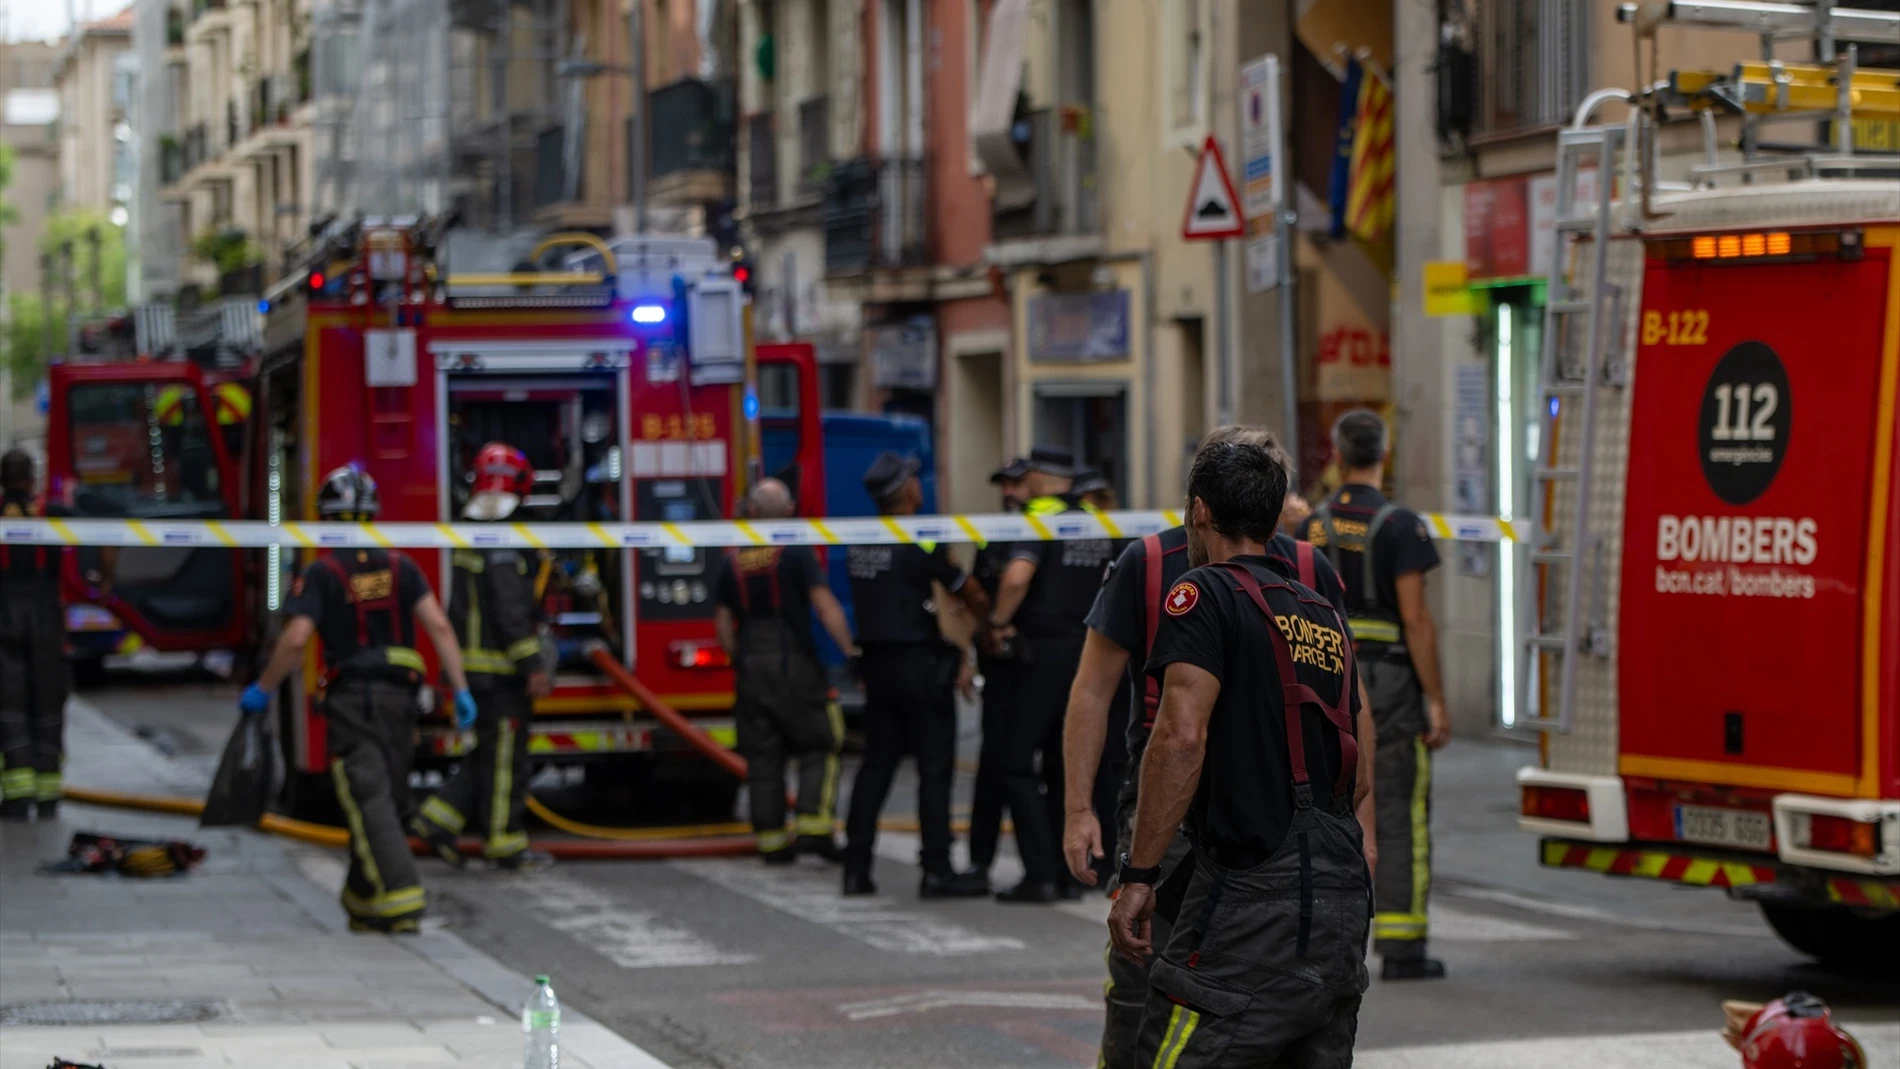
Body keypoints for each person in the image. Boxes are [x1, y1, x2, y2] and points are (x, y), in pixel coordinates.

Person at [1062, 427, 1375, 1068]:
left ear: (1199, 508)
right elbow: (1355, 753)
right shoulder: (1319, 608)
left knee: (1170, 1020)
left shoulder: (1198, 591)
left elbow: (1180, 737)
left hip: (1239, 865)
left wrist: (1141, 876)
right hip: (1332, 886)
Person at [239, 463, 475, 932]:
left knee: (370, 799)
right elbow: (440, 627)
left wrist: (263, 689)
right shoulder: (400, 566)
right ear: (373, 515)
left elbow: (294, 640)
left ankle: (403, 898)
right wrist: (461, 689)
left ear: (326, 518)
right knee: (381, 792)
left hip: (354, 703)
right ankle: (362, 902)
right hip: (402, 702)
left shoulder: (323, 573)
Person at [1306, 409, 1451, 981]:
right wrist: (1435, 699)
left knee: (1319, 804)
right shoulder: (1401, 526)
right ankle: (1403, 944)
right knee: (1396, 809)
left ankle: (1322, 940)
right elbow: (1416, 620)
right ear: (1383, 456)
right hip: (1389, 684)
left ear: (1337, 456)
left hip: (1323, 671)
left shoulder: (1310, 527)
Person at [842, 453, 991, 898]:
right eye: (914, 478)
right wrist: (987, 618)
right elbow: (963, 587)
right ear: (905, 489)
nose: (919, 483)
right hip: (921, 668)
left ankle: (855, 868)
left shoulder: (861, 539)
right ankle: (937, 870)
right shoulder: (920, 537)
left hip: (877, 667)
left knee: (876, 768)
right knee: (934, 768)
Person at [412, 443, 554, 872]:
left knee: (488, 755)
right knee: (507, 762)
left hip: (475, 671)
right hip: (503, 674)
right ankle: (504, 843)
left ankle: (436, 820)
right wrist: (533, 665)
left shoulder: (473, 532)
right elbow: (511, 612)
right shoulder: (506, 541)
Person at [986, 447, 1113, 902]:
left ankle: (1039, 873)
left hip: (1041, 655)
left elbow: (1018, 577)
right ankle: (1070, 872)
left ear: (1041, 477)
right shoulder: (1098, 520)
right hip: (1092, 652)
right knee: (1066, 765)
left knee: (1018, 762)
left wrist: (999, 622)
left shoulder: (1040, 519)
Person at [713, 478, 858, 863]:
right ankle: (814, 830)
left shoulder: (732, 560)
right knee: (820, 745)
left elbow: (724, 624)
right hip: (795, 667)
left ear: (753, 513)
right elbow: (825, 606)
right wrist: (850, 652)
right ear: (791, 512)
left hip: (751, 670)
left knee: (763, 759)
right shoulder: (796, 554)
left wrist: (739, 660)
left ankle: (773, 844)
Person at [961, 457, 1030, 892]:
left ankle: (1045, 868)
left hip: (1031, 669)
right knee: (993, 768)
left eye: (1015, 484)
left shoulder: (1040, 533)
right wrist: (978, 641)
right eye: (1003, 484)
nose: (1008, 492)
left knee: (1022, 770)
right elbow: (975, 593)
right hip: (997, 667)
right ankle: (979, 862)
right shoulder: (994, 534)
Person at [0, 450, 69, 820]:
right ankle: (47, 796)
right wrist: (103, 583)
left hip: (2, 617)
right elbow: (107, 533)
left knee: (8, 707)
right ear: (31, 479)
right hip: (44, 618)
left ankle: (16, 798)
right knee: (47, 704)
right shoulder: (53, 511)